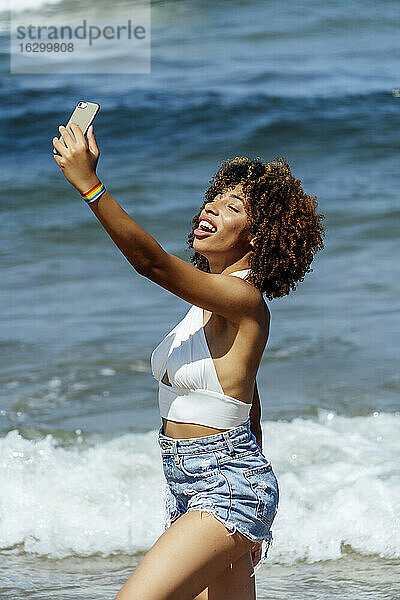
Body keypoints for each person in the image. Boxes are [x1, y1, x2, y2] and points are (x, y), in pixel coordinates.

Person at [52, 123, 325, 600]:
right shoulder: (207, 309)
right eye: (214, 198)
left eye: (233, 207)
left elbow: (152, 263)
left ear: (258, 239)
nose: (212, 207)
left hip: (225, 488)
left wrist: (89, 185)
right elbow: (247, 408)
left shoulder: (243, 299)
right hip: (195, 482)